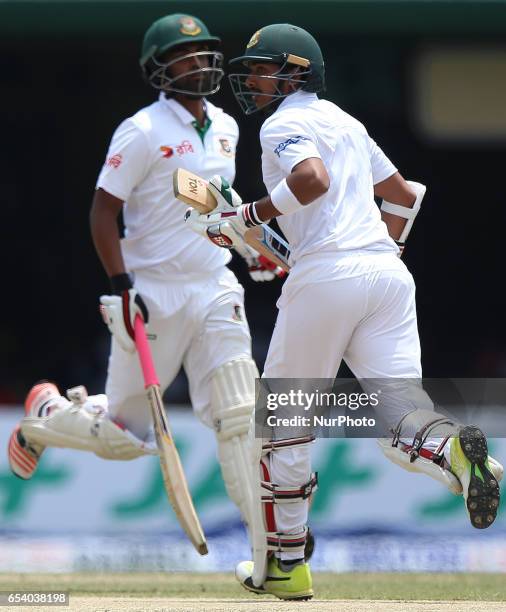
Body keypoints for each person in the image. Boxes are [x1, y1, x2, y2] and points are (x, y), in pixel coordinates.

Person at [185, 23, 503, 600]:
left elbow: (311, 180)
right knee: (401, 419)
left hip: (328, 278)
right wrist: (378, 248)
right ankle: (454, 448)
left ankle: (284, 566)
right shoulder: (348, 123)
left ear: (295, 72)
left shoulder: (285, 124)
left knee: (283, 425)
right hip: (387, 275)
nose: (251, 80)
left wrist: (250, 217)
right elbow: (404, 196)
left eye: (261, 69)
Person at [7, 13, 282, 544]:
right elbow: (102, 212)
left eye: (206, 53)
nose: (201, 62)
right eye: (188, 55)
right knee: (124, 438)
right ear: (160, 69)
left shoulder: (226, 127)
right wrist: (121, 283)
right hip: (151, 292)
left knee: (241, 415)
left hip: (215, 287)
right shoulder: (141, 132)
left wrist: (251, 251)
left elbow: (216, 208)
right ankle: (47, 416)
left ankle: (273, 549)